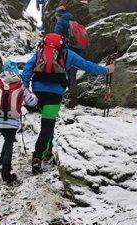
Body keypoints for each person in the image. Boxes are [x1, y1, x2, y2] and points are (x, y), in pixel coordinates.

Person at [22, 33, 114, 174]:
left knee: (47, 123)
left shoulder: (40, 52)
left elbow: (28, 68)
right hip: (55, 93)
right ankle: (37, 156)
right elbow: (87, 65)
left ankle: (48, 152)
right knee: (48, 124)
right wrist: (107, 69)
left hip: (38, 91)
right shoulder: (67, 54)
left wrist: (25, 86)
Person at [0, 61, 38, 183]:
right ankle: (6, 173)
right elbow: (32, 102)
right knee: (9, 142)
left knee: (7, 139)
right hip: (12, 122)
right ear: (16, 72)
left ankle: (2, 163)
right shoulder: (20, 86)